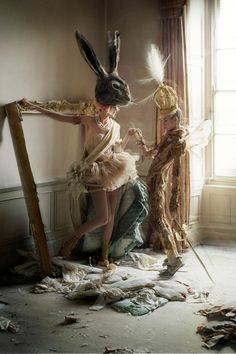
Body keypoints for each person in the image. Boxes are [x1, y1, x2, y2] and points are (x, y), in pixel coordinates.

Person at [22, 98, 138, 268]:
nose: (116, 110)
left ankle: (104, 256)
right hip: (94, 171)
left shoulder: (116, 126)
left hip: (114, 169)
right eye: (113, 106)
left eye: (116, 107)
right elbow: (61, 117)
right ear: (103, 105)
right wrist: (35, 107)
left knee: (111, 215)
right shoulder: (89, 120)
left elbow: (118, 149)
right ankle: (71, 240)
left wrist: (128, 136)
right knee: (103, 217)